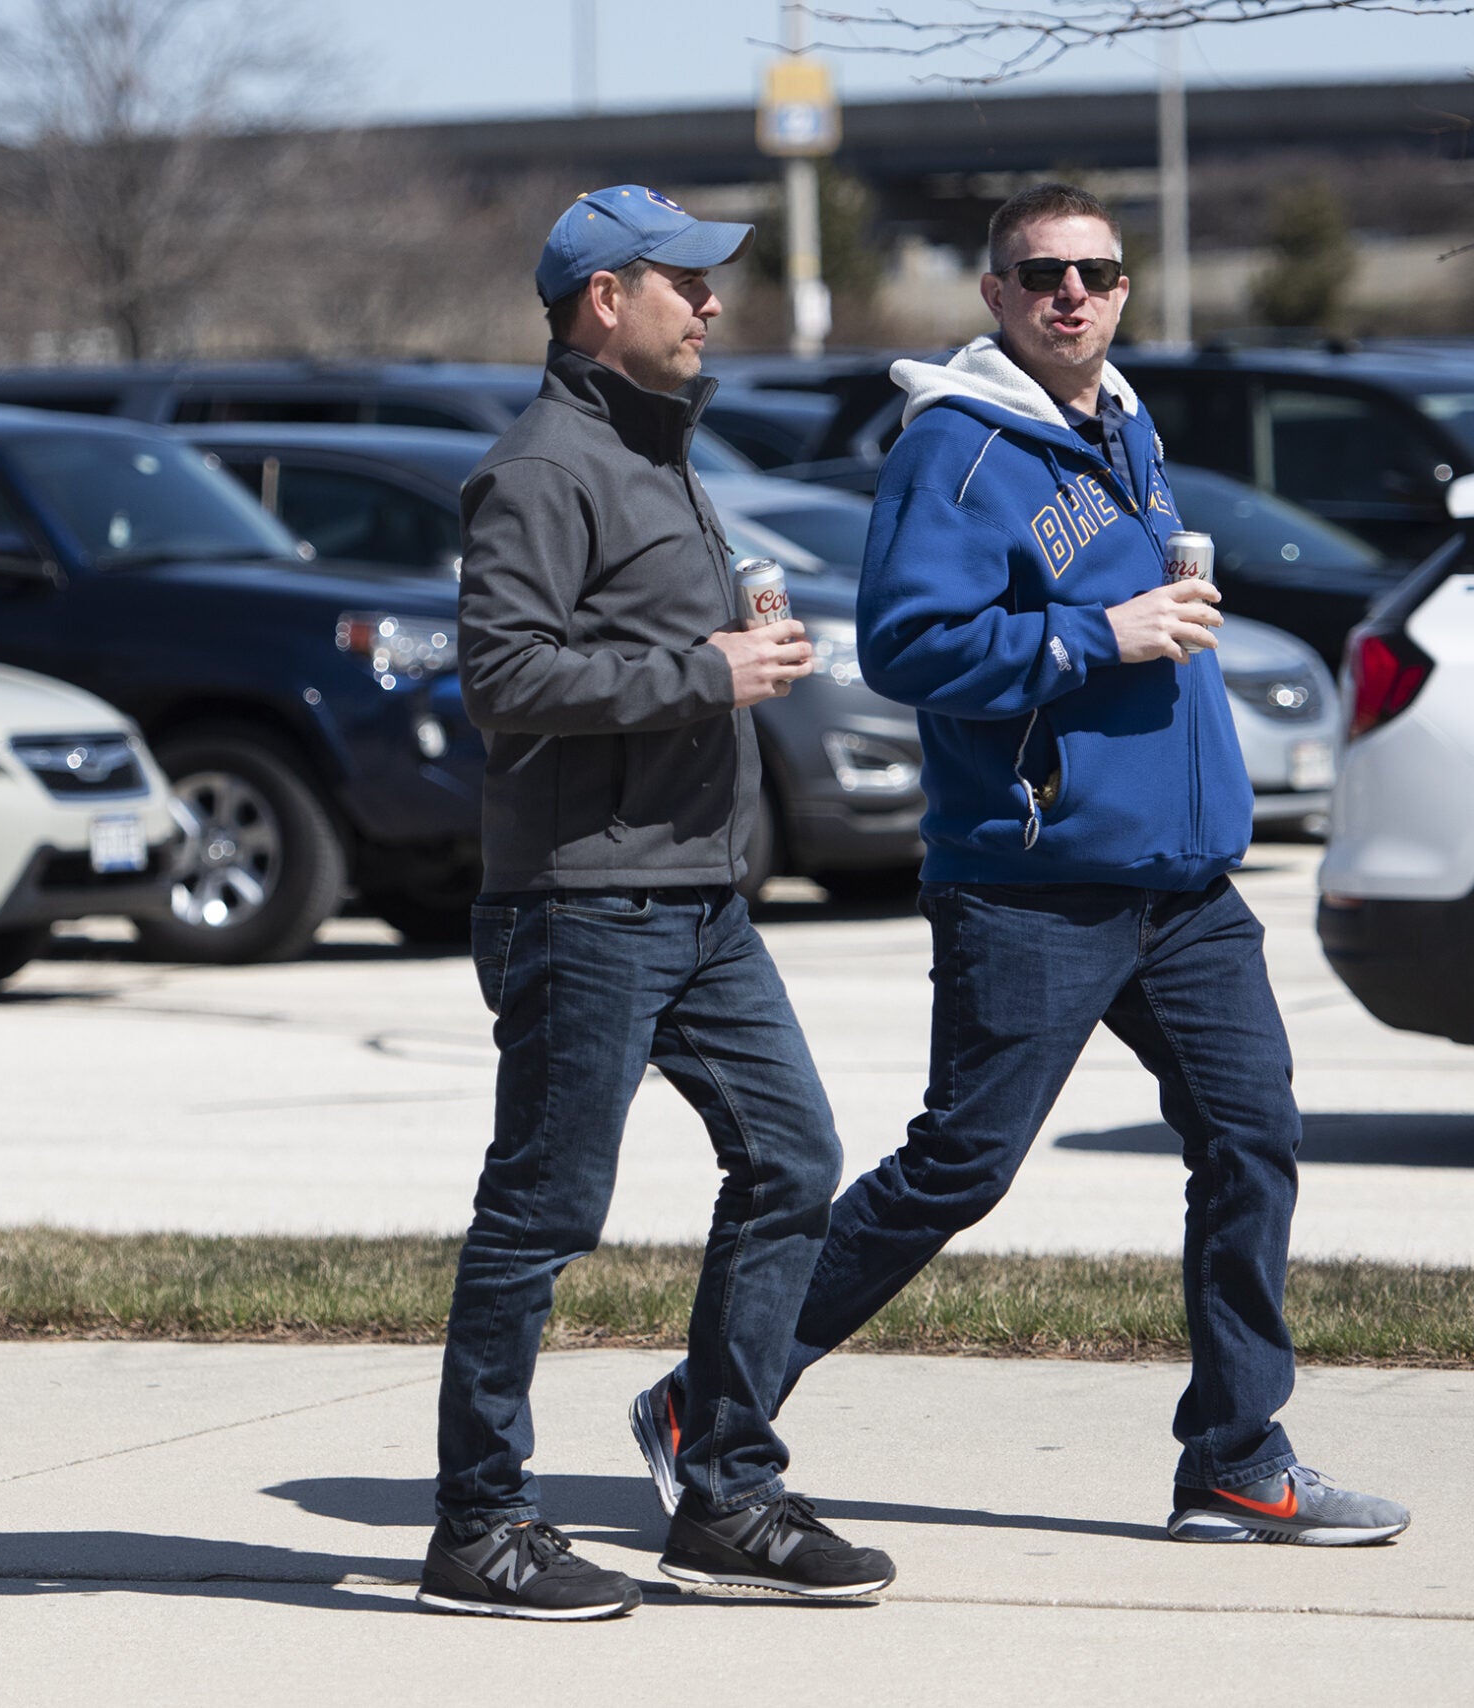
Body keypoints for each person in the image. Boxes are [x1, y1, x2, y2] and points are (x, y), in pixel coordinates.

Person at [633, 182, 1409, 1547]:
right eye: (1041, 273)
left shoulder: (1122, 422)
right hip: (1032, 878)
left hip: (1182, 882)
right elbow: (914, 647)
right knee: (960, 1168)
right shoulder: (958, 449)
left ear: (1123, 291)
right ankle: (710, 1397)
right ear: (993, 294)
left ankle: (1236, 1455)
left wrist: (1146, 651)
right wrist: (1101, 637)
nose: (1071, 295)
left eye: (1096, 274)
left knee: (1252, 1139)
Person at [421, 186, 898, 1621]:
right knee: (545, 1210)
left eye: (709, 280)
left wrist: (739, 649)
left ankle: (728, 1494)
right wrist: (704, 671)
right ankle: (478, 1524)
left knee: (795, 1163)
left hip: (698, 899)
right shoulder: (540, 468)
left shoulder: (661, 454)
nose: (708, 302)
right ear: (599, 300)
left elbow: (643, 643)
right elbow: (501, 679)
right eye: (679, 280)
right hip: (584, 905)